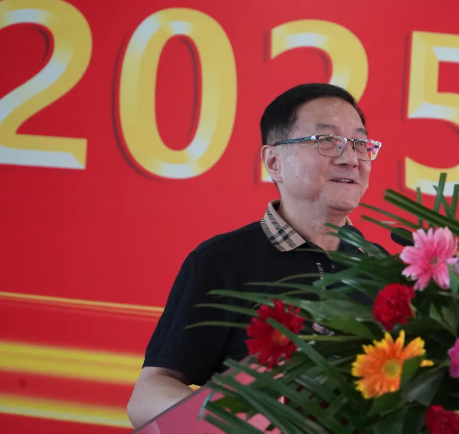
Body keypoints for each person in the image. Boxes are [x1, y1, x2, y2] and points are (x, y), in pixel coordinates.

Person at [126, 83, 384, 428]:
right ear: (274, 162)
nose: (351, 158)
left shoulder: (383, 269)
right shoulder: (222, 262)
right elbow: (148, 395)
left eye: (360, 143)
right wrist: (237, 422)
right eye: (327, 140)